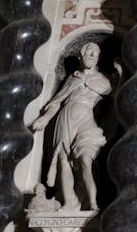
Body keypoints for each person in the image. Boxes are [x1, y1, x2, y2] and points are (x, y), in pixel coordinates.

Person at [31, 43, 120, 211]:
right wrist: (45, 118)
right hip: (65, 118)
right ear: (82, 54)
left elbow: (119, 95)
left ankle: (92, 203)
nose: (92, 55)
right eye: (89, 52)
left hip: (86, 119)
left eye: (96, 53)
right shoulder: (73, 78)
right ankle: (68, 203)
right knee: (63, 159)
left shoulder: (102, 79)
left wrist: (121, 73)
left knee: (86, 158)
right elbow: (56, 102)